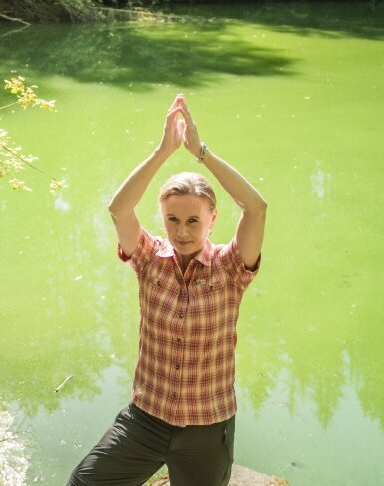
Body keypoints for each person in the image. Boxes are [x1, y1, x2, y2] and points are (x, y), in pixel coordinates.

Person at [67, 94, 267, 486]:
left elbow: (256, 208)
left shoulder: (231, 267)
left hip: (207, 428)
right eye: (172, 219)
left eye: (194, 219)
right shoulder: (149, 259)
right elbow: (119, 209)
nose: (182, 230)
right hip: (146, 419)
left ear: (213, 219)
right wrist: (163, 151)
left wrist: (201, 152)